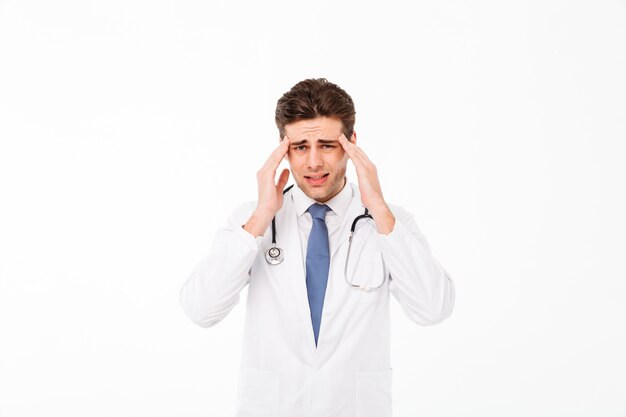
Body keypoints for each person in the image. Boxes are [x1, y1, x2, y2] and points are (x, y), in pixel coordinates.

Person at [179, 78, 455, 417]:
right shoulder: (252, 222)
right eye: (299, 147)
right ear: (283, 148)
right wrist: (261, 217)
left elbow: (433, 308)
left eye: (327, 145)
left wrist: (379, 207)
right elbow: (200, 309)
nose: (313, 163)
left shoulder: (389, 223)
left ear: (352, 144)